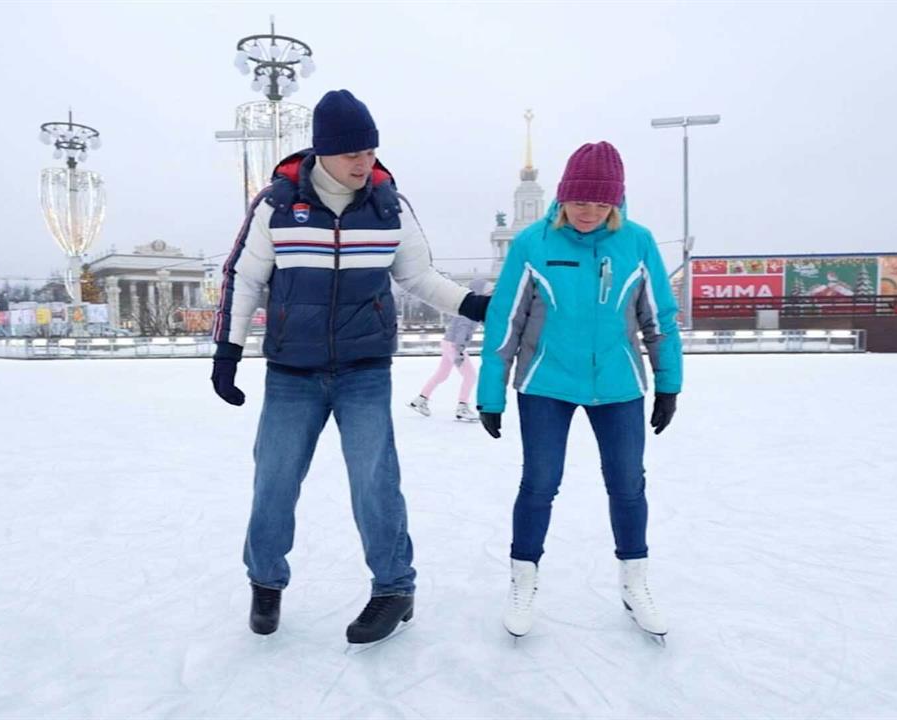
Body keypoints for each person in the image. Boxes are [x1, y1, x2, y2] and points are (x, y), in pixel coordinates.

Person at [210, 89, 491, 645]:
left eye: (371, 150)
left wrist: (473, 305)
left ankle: (394, 588)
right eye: (352, 154)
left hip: (364, 370)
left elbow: (418, 276)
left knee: (375, 482)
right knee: (274, 481)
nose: (366, 163)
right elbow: (242, 276)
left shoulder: (389, 206)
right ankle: (265, 581)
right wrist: (228, 350)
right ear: (322, 153)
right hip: (293, 372)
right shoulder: (277, 204)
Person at [477, 141, 682, 638]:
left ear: (615, 202)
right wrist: (492, 391)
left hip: (618, 385)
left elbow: (660, 319)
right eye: (580, 200)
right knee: (540, 482)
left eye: (600, 202)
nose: (589, 212)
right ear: (563, 197)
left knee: (628, 484)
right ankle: (523, 580)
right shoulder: (534, 243)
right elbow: (506, 318)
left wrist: (668, 383)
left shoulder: (637, 242)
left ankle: (635, 581)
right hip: (546, 382)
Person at [408, 278, 488, 422]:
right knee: (470, 376)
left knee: (442, 374)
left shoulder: (467, 304)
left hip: (448, 342)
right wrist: (459, 350)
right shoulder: (473, 308)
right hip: (454, 345)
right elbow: (463, 329)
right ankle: (462, 407)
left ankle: (420, 400)